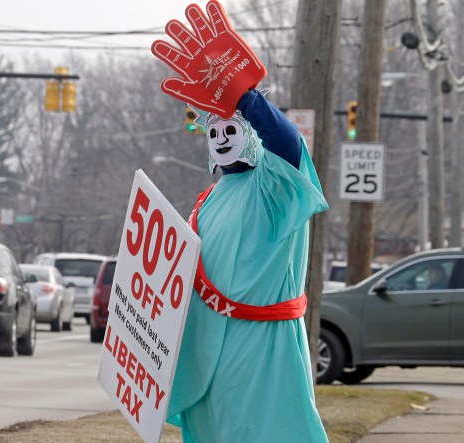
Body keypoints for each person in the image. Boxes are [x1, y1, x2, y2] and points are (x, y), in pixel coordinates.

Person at [152, 2, 329, 441]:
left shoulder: (274, 188)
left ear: (250, 134)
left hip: (260, 352)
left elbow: (288, 145)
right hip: (206, 356)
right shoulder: (208, 199)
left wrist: (244, 98)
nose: (222, 138)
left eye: (232, 128)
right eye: (214, 131)